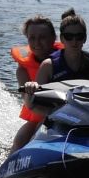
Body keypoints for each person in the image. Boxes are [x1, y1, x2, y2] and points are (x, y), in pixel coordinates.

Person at [8, 13, 60, 152]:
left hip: (67, 114)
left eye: (42, 37)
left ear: (53, 38)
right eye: (32, 38)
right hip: (40, 114)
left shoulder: (66, 58)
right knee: (20, 142)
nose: (37, 43)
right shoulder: (23, 69)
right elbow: (29, 103)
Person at [35, 9, 89, 86]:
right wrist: (30, 87)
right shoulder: (48, 67)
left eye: (79, 36)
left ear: (85, 38)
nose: (74, 41)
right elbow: (33, 96)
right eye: (69, 36)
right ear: (61, 38)